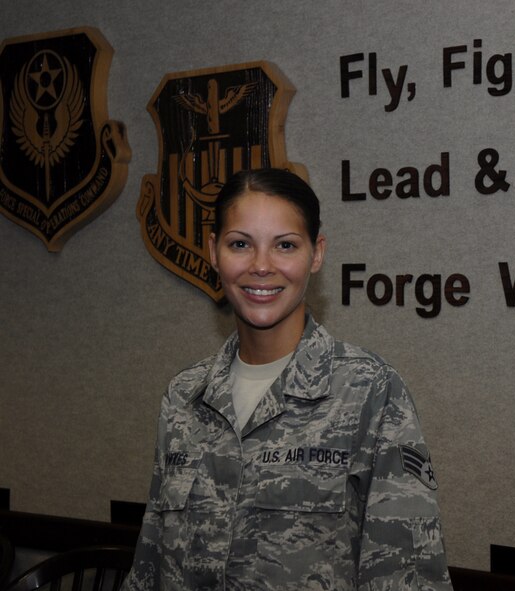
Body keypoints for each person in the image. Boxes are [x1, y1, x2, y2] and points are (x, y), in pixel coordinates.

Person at [123, 168, 452, 590]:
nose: (261, 266)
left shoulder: (370, 391)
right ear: (213, 251)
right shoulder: (185, 396)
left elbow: (408, 577)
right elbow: (150, 563)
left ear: (316, 254)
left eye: (285, 245)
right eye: (240, 244)